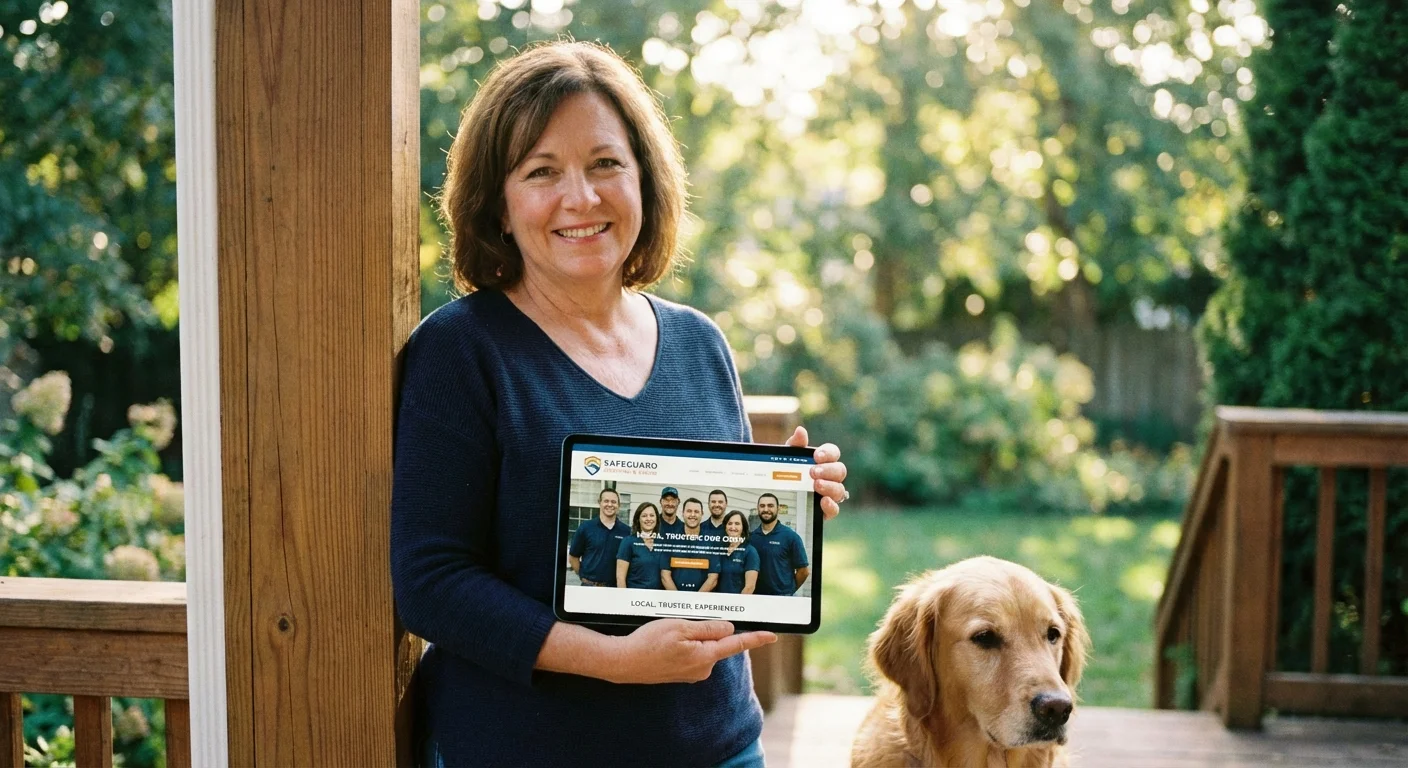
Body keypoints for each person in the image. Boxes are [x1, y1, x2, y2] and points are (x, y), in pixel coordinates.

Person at [390, 41, 849, 768]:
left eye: (606, 164)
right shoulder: (461, 351)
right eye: (542, 172)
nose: (582, 197)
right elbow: (433, 585)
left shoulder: (701, 343)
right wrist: (613, 659)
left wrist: (787, 493)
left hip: (719, 746)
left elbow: (711, 546)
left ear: (644, 180)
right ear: (498, 206)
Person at [747, 493, 811, 596]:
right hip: (757, 597)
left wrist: (790, 591)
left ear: (778, 509)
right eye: (762, 506)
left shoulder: (790, 536)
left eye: (770, 506)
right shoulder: (752, 537)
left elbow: (804, 571)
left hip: (783, 598)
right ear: (758, 509)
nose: (766, 509)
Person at [568, 488, 630, 586]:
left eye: (614, 502)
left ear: (619, 505)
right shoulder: (586, 527)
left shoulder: (626, 532)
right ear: (599, 503)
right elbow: (573, 557)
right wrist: (582, 576)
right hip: (589, 587)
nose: (610, 504)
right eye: (606, 501)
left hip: (613, 589)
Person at [662, 497, 718, 592]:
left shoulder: (711, 540)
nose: (692, 515)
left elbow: (713, 578)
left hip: (701, 600)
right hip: (675, 599)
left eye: (696, 511)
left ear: (702, 514)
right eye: (689, 511)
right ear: (682, 513)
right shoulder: (670, 538)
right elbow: (665, 575)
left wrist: (695, 600)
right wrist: (678, 600)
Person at [616, 502, 666, 589]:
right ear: (638, 519)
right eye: (644, 516)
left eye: (652, 515)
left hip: (657, 598)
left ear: (657, 519)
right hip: (635, 597)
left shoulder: (662, 543)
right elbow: (620, 578)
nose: (648, 519)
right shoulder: (628, 542)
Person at [715, 511, 760, 595]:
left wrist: (737, 605)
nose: (733, 527)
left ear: (743, 527)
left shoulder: (750, 552)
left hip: (737, 604)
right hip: (718, 603)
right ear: (725, 526)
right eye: (730, 523)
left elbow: (750, 587)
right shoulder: (720, 549)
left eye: (737, 524)